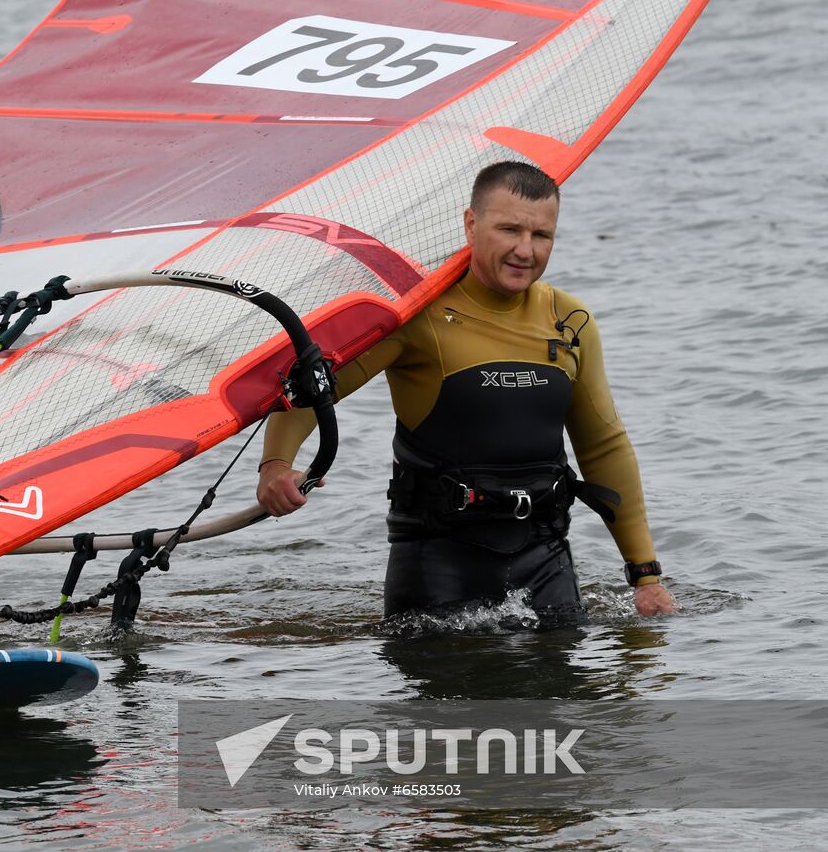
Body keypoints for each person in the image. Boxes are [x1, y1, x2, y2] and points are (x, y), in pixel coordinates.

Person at [256, 161, 676, 623]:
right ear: (471, 224)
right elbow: (312, 391)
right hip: (439, 567)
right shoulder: (418, 316)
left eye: (542, 235)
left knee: (566, 694)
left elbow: (603, 445)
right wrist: (275, 466)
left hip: (546, 559)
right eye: (509, 229)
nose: (525, 250)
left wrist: (646, 576)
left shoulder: (569, 320)